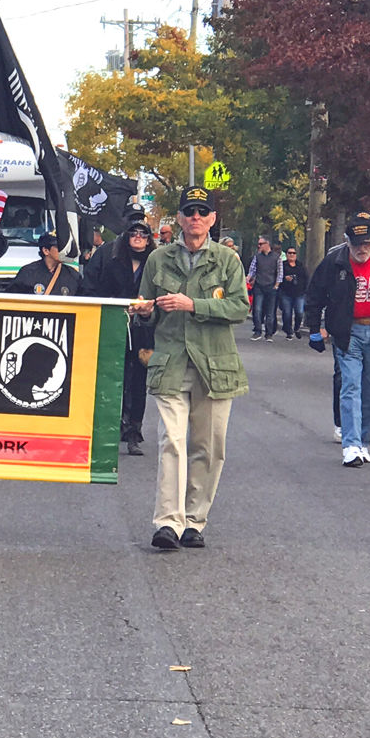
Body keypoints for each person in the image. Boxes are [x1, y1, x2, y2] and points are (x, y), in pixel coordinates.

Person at [130, 186, 249, 550]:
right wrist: (145, 312)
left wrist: (194, 305)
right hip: (171, 361)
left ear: (213, 219)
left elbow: (239, 309)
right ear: (179, 218)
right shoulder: (159, 259)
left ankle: (195, 520)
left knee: (208, 447)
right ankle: (168, 521)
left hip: (214, 366)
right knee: (172, 442)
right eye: (189, 211)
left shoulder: (227, 261)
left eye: (202, 211)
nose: (195, 218)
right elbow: (146, 308)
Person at [305, 212, 370, 468]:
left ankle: (363, 441)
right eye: (356, 244)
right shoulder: (334, 261)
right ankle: (351, 444)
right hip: (347, 332)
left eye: (366, 243)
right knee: (350, 386)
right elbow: (315, 295)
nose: (362, 249)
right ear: (347, 241)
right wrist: (314, 328)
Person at [82, 203, 157, 455]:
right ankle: (109, 428)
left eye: (143, 232)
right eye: (133, 231)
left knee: (138, 381)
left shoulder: (157, 260)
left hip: (144, 329)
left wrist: (151, 309)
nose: (138, 237)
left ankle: (134, 430)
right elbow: (89, 287)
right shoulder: (106, 254)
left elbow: (165, 292)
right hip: (113, 325)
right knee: (111, 378)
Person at [8, 232, 82, 296]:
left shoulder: (73, 275)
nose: (63, 250)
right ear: (46, 250)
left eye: (64, 247)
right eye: (58, 247)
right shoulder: (27, 273)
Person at [247, 235, 282, 342]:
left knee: (270, 312)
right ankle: (257, 331)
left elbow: (280, 273)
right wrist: (248, 278)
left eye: (261, 244)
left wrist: (276, 285)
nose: (259, 246)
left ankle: (269, 333)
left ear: (267, 244)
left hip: (271, 286)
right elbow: (252, 270)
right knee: (257, 309)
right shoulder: (257, 257)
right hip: (259, 285)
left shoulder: (276, 257)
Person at [279, 247, 308, 340]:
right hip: (286, 293)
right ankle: (288, 331)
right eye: (289, 253)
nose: (292, 255)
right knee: (287, 313)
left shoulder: (300, 266)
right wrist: (285, 278)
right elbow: (278, 278)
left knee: (299, 312)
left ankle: (297, 328)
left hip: (299, 293)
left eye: (293, 253)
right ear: (286, 254)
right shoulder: (282, 266)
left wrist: (305, 290)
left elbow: (306, 278)